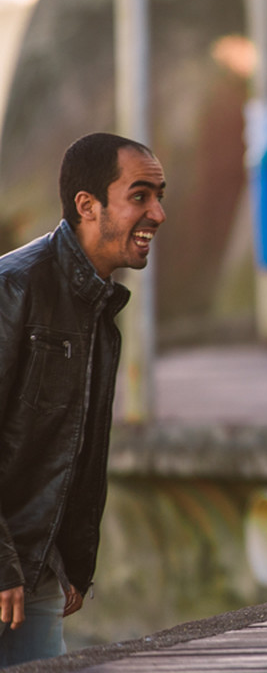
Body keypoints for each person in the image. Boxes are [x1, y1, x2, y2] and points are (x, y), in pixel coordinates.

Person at [0, 133, 166, 666]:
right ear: (87, 206)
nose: (158, 213)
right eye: (140, 195)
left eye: (160, 195)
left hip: (36, 572)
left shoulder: (96, 308)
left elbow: (71, 444)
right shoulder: (15, 288)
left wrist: (71, 556)